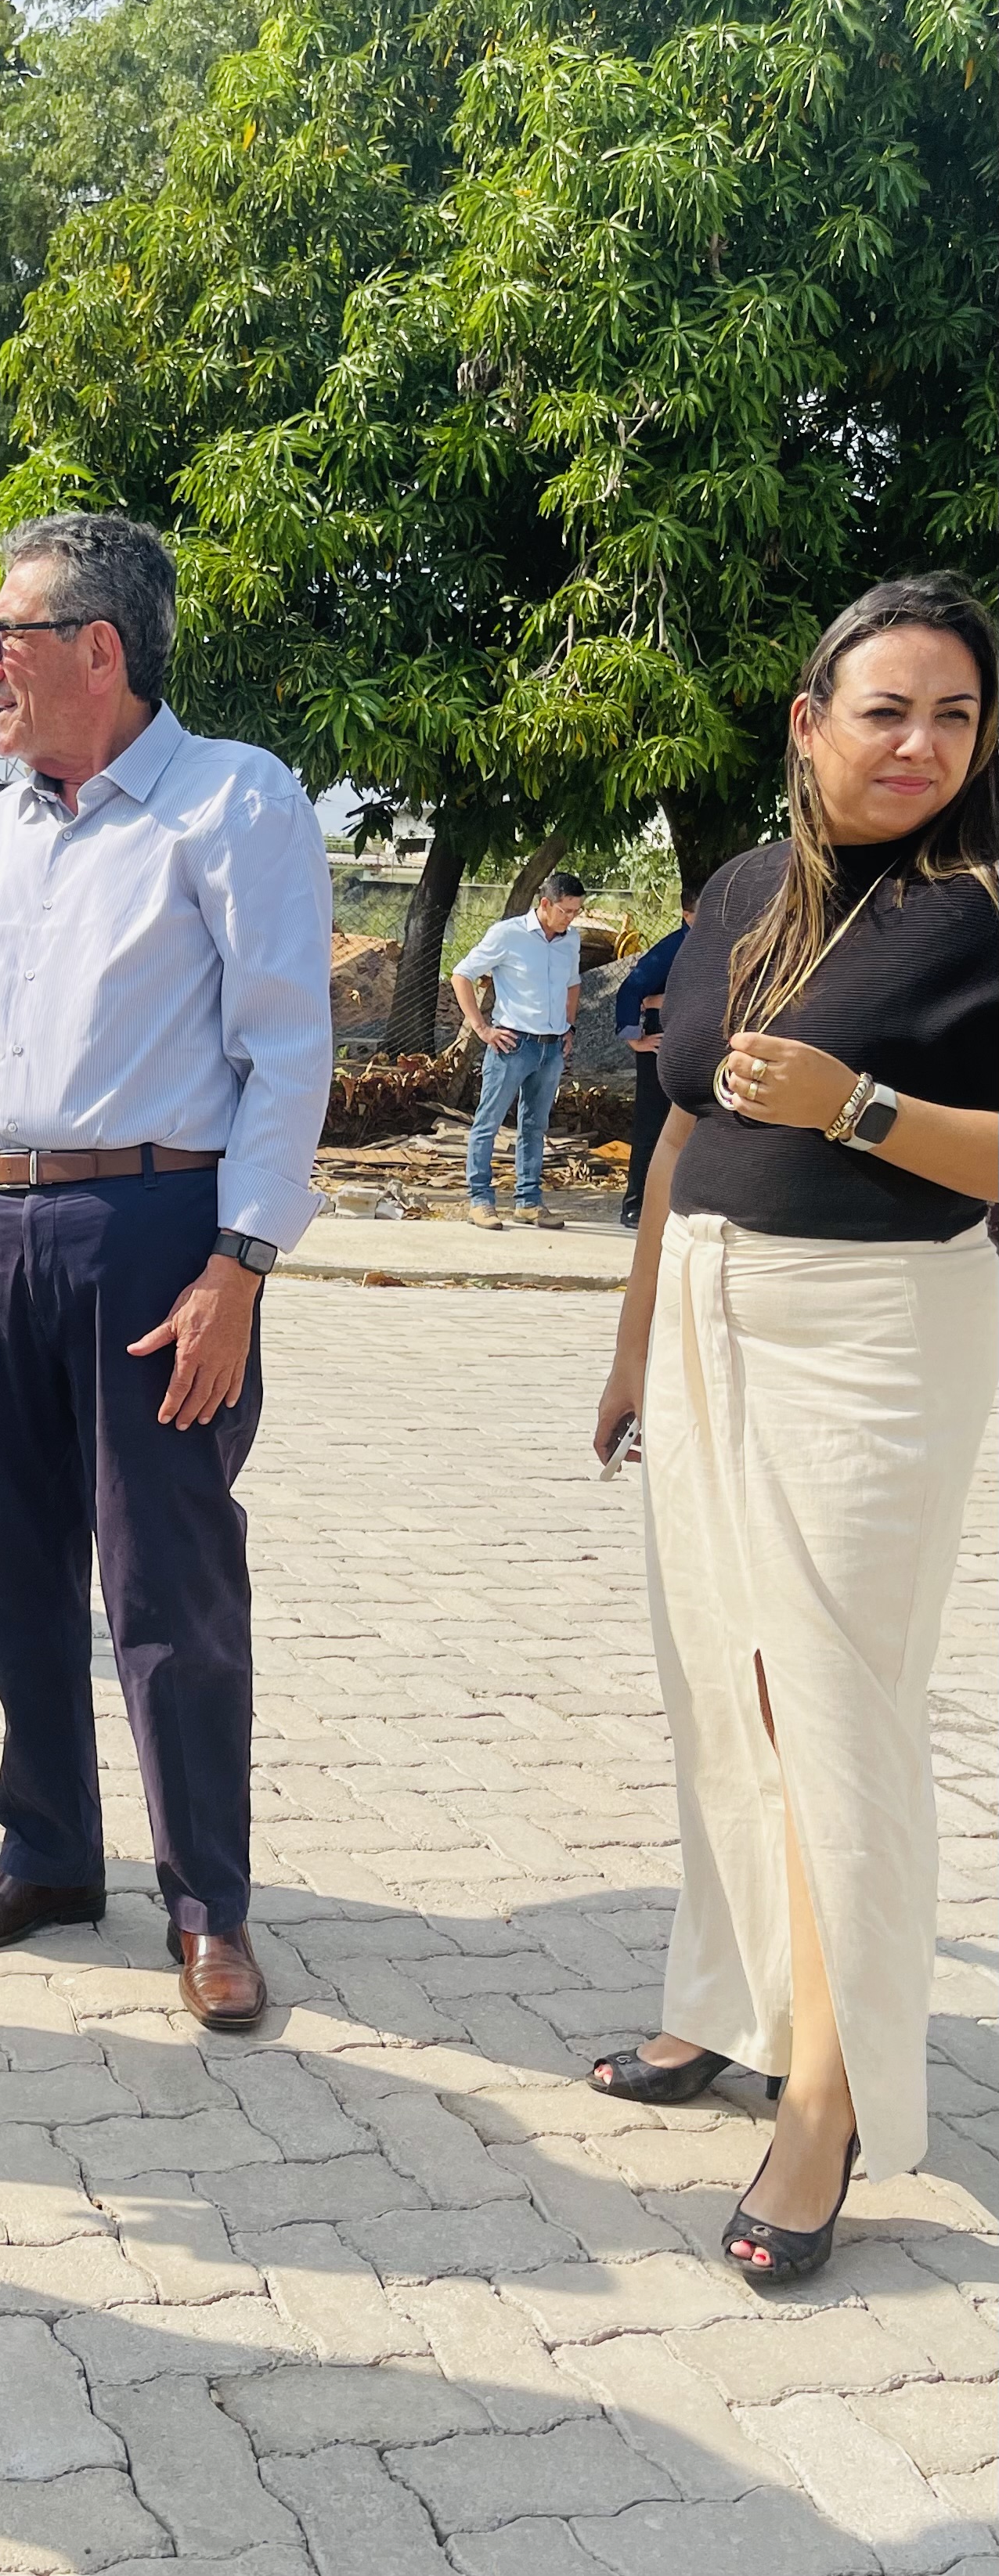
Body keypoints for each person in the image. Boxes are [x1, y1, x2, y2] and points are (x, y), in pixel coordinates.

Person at [590, 572, 999, 2288]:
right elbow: (678, 1132)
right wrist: (628, 1346)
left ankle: (825, 2104)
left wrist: (864, 1106)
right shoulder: (741, 886)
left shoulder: (981, 907)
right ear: (806, 723)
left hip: (875, 1335)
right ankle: (720, 2000)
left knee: (826, 1702)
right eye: (886, 709)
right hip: (701, 1309)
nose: (919, 744)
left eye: (955, 715)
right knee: (712, 1675)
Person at [0, 512, 333, 2030]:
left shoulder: (229, 804)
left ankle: (205, 1904)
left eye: (4, 637)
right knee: (12, 1574)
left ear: (99, 648)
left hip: (154, 1237)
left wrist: (240, 1264)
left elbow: (284, 1051)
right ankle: (46, 1855)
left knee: (168, 1586)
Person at [451, 870, 586, 1229]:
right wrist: (482, 1028)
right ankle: (480, 1200)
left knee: (535, 1125)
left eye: (576, 912)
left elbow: (573, 984)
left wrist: (569, 1026)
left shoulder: (570, 940)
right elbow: (461, 975)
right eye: (565, 911)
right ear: (545, 904)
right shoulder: (508, 934)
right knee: (489, 1123)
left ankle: (529, 1201)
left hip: (552, 1047)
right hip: (513, 1044)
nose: (570, 919)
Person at [612, 885, 697, 1228]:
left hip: (694, 1044)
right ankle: (636, 1205)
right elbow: (632, 988)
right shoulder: (675, 946)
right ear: (687, 915)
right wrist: (634, 1037)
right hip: (661, 1045)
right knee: (652, 1124)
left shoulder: (714, 945)